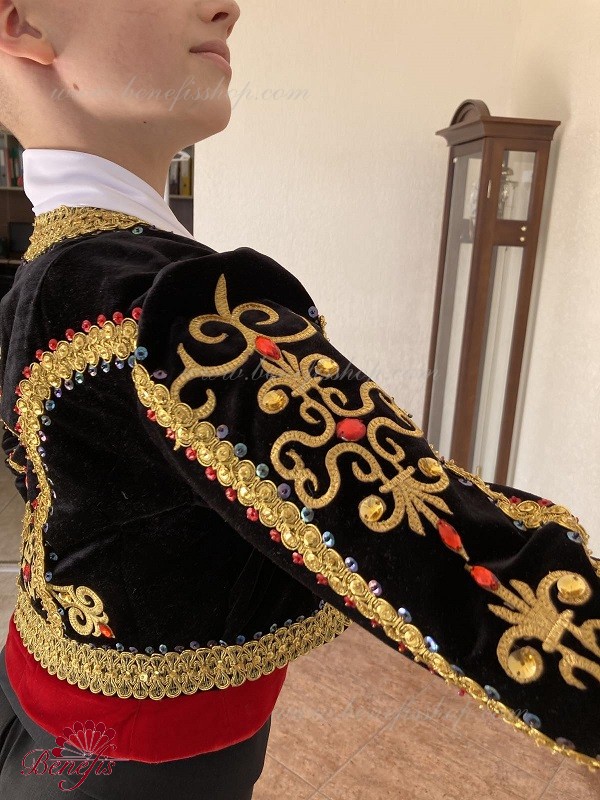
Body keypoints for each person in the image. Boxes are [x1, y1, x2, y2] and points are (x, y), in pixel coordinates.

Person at [0, 1, 598, 798]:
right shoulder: (165, 304)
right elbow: (450, 555)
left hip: (51, 703)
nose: (227, 7)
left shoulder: (44, 275)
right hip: (139, 772)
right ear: (23, 25)